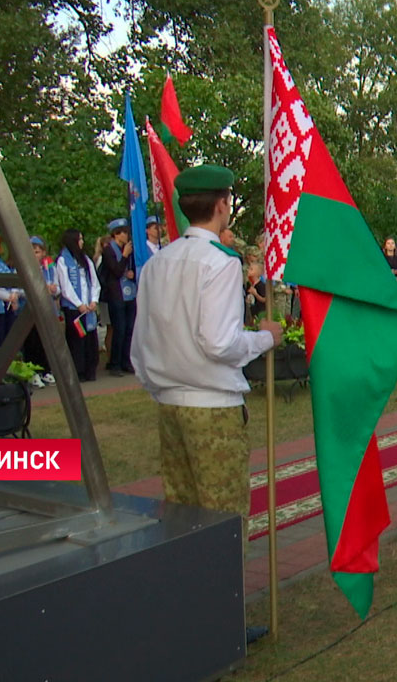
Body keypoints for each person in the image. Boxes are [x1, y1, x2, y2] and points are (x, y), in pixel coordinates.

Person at [130, 165, 281, 630]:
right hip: (211, 407)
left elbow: (141, 345)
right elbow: (219, 342)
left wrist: (162, 386)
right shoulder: (219, 263)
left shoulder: (157, 263)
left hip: (170, 403)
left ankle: (190, 607)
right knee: (222, 515)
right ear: (222, 206)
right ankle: (222, 620)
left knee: (182, 511)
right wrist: (263, 337)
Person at [56, 228, 101, 381]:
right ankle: (78, 371)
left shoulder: (86, 259)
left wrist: (93, 300)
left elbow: (94, 282)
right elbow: (65, 286)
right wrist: (78, 304)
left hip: (89, 307)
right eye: (79, 239)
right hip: (74, 309)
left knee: (91, 339)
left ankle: (91, 370)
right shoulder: (63, 260)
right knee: (77, 340)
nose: (82, 242)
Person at [19, 235, 61, 387]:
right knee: (32, 342)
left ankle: (46, 370)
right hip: (30, 311)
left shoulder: (49, 268)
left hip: (46, 309)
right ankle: (33, 372)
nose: (35, 255)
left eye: (37, 252)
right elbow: (18, 290)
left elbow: (56, 287)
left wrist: (54, 289)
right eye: (32, 251)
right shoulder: (23, 268)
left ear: (43, 253)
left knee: (46, 342)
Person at [99, 218, 138, 377]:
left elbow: (132, 268)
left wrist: (132, 273)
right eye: (123, 233)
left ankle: (126, 361)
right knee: (119, 329)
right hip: (116, 295)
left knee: (129, 329)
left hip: (130, 293)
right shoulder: (109, 250)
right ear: (116, 234)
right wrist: (124, 255)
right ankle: (114, 363)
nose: (126, 236)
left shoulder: (130, 250)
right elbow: (115, 271)